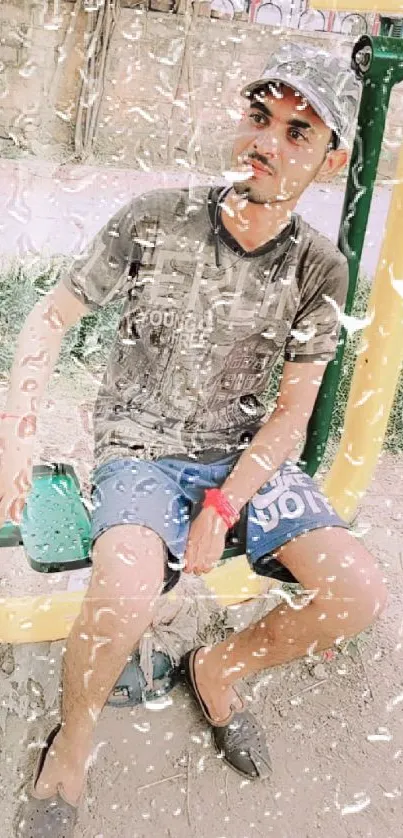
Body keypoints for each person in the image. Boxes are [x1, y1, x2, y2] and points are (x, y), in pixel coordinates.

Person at [1, 41, 387, 837]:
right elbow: (50, 319)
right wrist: (15, 439)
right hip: (141, 447)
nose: (266, 144)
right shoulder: (156, 218)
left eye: (295, 133)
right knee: (125, 592)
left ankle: (219, 667)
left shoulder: (319, 265)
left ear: (326, 161)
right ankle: (70, 750)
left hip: (242, 451)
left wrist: (223, 503)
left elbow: (291, 413)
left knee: (356, 591)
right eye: (258, 117)